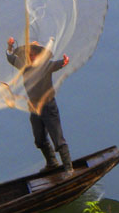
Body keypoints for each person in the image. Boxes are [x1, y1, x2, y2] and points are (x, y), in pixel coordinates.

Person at [6, 36, 73, 173]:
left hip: (48, 107)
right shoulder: (24, 66)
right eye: (29, 53)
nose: (31, 56)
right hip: (34, 107)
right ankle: (52, 163)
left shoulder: (46, 66)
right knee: (39, 139)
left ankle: (69, 168)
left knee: (58, 139)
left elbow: (59, 64)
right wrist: (10, 46)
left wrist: (64, 62)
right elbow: (10, 57)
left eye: (34, 53)